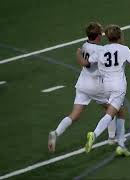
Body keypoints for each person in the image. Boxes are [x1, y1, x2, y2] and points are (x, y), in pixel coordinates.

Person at [77, 24, 130, 156]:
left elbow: (86, 63)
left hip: (105, 87)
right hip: (118, 87)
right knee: (110, 114)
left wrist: (78, 54)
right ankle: (94, 134)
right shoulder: (124, 49)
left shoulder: (101, 50)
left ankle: (121, 145)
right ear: (120, 36)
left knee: (121, 113)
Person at [48, 22, 124, 152]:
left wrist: (78, 54)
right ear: (98, 36)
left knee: (74, 115)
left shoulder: (84, 45)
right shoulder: (100, 50)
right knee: (115, 109)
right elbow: (89, 63)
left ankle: (55, 133)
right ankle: (111, 138)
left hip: (82, 84)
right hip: (96, 86)